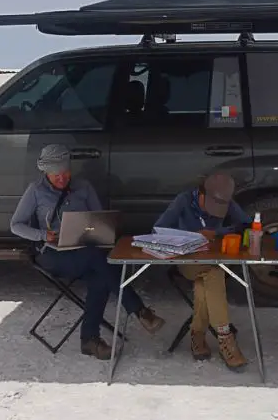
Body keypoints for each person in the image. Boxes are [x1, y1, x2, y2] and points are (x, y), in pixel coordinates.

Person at [11, 144, 166, 360]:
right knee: (98, 259)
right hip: (52, 253)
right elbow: (16, 225)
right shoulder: (35, 191)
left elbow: (99, 218)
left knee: (100, 276)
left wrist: (100, 230)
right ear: (46, 172)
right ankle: (139, 309)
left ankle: (89, 340)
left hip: (83, 250)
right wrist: (43, 235)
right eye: (57, 175)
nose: (63, 179)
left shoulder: (83, 187)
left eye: (66, 173)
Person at [155, 173, 251, 370]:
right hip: (189, 260)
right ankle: (225, 338)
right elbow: (159, 228)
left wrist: (218, 233)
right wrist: (189, 237)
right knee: (214, 274)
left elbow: (247, 225)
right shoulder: (183, 200)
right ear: (201, 194)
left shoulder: (225, 198)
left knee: (207, 280)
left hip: (217, 258)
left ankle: (197, 334)